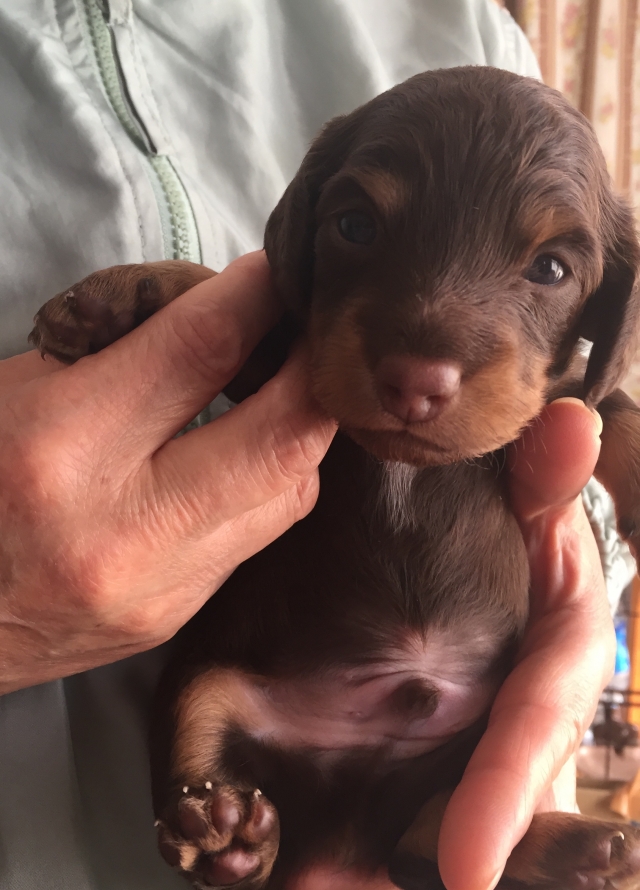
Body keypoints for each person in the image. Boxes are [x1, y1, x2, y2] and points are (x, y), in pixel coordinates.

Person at [0, 3, 629, 889]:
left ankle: (444, 832)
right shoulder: (303, 335)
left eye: (549, 269)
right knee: (208, 694)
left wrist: (583, 562)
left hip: (462, 726)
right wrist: (171, 296)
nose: (424, 370)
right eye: (358, 227)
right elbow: (241, 325)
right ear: (302, 229)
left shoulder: (463, 21)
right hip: (228, 719)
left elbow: (584, 470)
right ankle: (224, 819)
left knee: (468, 821)